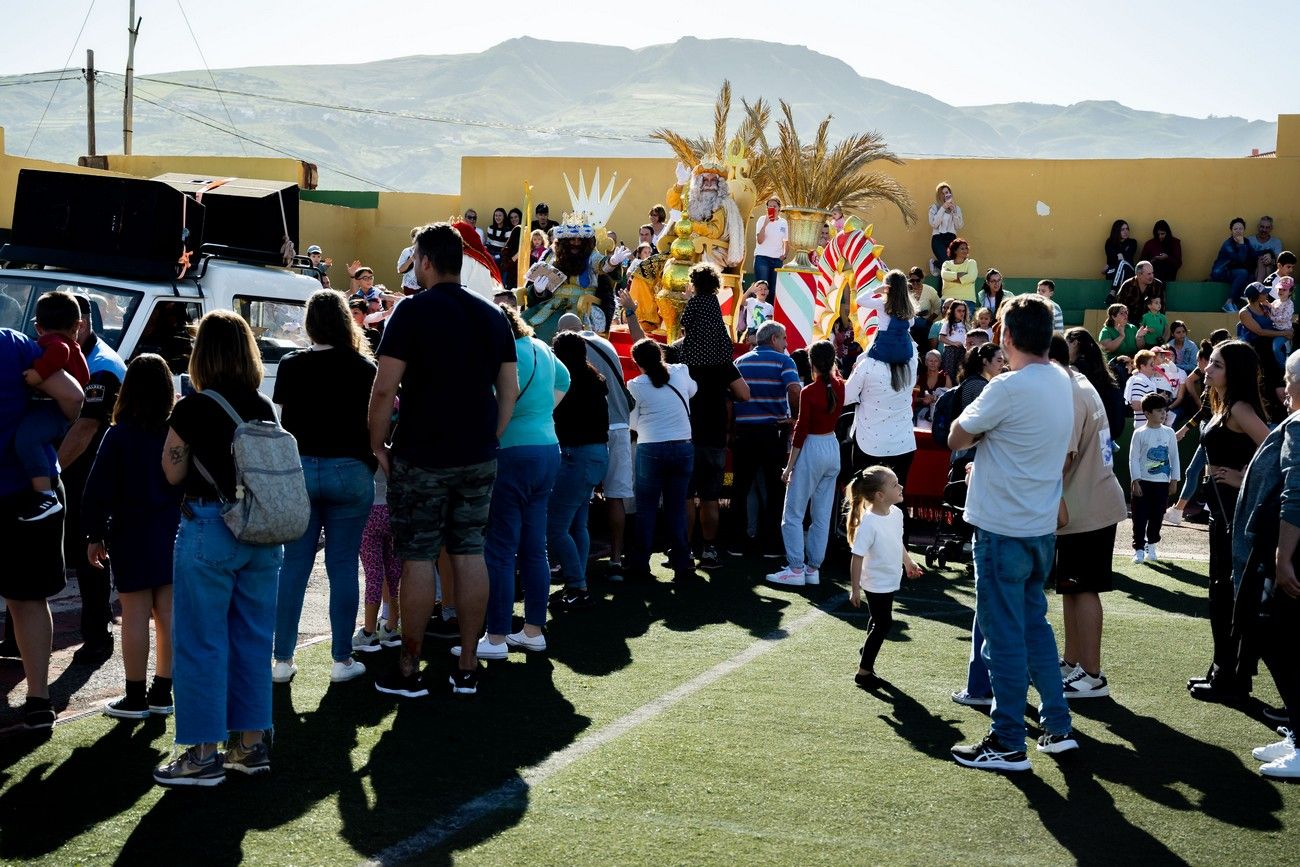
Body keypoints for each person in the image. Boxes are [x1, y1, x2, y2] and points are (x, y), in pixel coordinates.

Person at [368, 223, 519, 699]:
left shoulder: (411, 311)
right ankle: (468, 665)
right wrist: (489, 436)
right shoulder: (493, 316)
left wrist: (377, 445)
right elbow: (509, 390)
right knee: (470, 552)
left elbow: (384, 386)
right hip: (476, 453)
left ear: (426, 262)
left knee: (417, 558)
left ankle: (410, 668)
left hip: (420, 454)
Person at [948, 294, 1078, 771]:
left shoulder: (1006, 388)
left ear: (1005, 337)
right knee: (1034, 626)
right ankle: (1057, 725)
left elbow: (955, 436)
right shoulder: (1062, 380)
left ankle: (1007, 740)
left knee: (1001, 637)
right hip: (1039, 526)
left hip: (1003, 527)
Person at [156, 310, 282, 786]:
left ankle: (203, 752)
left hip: (211, 525)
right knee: (252, 640)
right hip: (262, 533)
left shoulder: (192, 406)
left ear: (201, 354)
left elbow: (171, 471)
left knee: (200, 641)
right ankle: (249, 746)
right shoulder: (264, 406)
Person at [272, 291, 377, 684]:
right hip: (349, 471)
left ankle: (282, 660)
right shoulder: (364, 367)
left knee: (293, 567)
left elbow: (283, 424)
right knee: (343, 566)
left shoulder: (291, 365)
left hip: (301, 469)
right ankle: (341, 658)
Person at [462, 304, 567, 661]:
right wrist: (540, 413)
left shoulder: (500, 352)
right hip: (547, 448)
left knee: (501, 549)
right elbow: (565, 380)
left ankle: (495, 637)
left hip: (511, 451)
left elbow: (483, 401)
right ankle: (534, 631)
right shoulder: (541, 347)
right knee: (535, 547)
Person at [82, 353, 181, 719]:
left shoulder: (119, 434)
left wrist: (94, 534)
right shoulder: (175, 431)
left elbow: (96, 489)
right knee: (167, 614)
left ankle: (135, 696)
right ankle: (162, 692)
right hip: (172, 528)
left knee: (135, 614)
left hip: (130, 530)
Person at [0, 324, 81, 730]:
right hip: (26, 492)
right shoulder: (13, 344)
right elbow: (71, 396)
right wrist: (48, 426)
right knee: (28, 599)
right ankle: (38, 700)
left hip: (21, 491)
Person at [1230, 349, 1300, 779]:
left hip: (1289, 549)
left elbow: (1296, 491)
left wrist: (1284, 556)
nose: (1284, 388)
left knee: (1278, 639)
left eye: (1290, 380)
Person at [1188, 341, 1269, 706]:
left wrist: (1241, 476)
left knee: (1228, 592)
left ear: (1232, 371)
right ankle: (1222, 669)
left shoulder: (1238, 407)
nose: (1207, 369)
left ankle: (1231, 676)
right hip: (1221, 512)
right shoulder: (1222, 404)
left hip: (1237, 513)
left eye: (1216, 365)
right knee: (1221, 591)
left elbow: (1274, 450)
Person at [1047, 334, 1126, 702]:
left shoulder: (1068, 392)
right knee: (1072, 588)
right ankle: (1073, 662)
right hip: (1088, 503)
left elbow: (1063, 460)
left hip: (1086, 507)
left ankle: (1092, 674)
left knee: (1084, 588)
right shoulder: (1080, 383)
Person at [63, 295, 128, 659]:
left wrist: (49, 469)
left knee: (90, 553)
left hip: (89, 473)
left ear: (86, 323)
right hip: (77, 470)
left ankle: (97, 636)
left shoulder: (101, 365)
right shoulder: (72, 354)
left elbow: (86, 428)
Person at [678, 265, 748, 570]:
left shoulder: (681, 356)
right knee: (709, 497)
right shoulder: (722, 358)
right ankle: (708, 551)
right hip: (715, 433)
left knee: (685, 495)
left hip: (685, 432)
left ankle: (683, 551)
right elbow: (744, 394)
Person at [559, 307, 637, 581]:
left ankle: (569, 566)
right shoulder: (605, 343)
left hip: (588, 435)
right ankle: (615, 560)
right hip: (618, 425)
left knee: (574, 504)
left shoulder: (567, 350)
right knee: (616, 496)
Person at [767, 340, 845, 587]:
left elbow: (801, 431)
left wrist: (789, 467)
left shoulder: (809, 391)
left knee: (793, 513)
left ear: (812, 362)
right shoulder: (840, 386)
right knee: (821, 514)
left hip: (812, 448)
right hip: (832, 447)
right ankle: (812, 568)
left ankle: (796, 567)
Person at [547, 331, 608, 611]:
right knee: (577, 525)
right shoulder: (596, 379)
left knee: (556, 528)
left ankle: (577, 586)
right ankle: (578, 582)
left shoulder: (564, 381)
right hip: (596, 454)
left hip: (575, 455)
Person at [14, 291, 89, 521]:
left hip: (52, 409)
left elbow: (59, 351)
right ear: (78, 325)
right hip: (57, 409)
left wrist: (39, 373)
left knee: (26, 439)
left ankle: (44, 496)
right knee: (38, 442)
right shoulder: (73, 343)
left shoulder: (53, 342)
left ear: (38, 328)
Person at [627, 338, 697, 581]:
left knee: (646, 509)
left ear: (637, 363)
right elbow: (693, 391)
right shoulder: (680, 371)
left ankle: (640, 564)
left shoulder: (635, 385)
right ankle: (682, 563)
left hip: (650, 447)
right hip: (682, 446)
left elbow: (632, 423)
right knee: (676, 508)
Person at [729, 321, 801, 557]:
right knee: (773, 489)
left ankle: (737, 543)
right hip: (772, 433)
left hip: (744, 433)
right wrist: (796, 418)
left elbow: (730, 398)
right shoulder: (784, 361)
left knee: (741, 488)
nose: (786, 343)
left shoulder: (739, 362)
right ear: (774, 339)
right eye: (783, 339)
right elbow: (794, 390)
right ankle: (771, 545)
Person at [847, 466, 922, 687]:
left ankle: (866, 651)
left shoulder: (897, 514)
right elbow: (857, 557)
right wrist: (855, 588)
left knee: (878, 619)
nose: (901, 487)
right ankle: (864, 672)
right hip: (875, 582)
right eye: (894, 485)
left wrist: (908, 562)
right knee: (884, 623)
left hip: (890, 579)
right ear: (880, 496)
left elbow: (896, 542)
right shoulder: (869, 523)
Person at [845, 311, 920, 484]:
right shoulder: (912, 363)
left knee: (865, 500)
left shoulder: (867, 365)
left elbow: (846, 397)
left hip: (870, 443)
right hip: (902, 443)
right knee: (897, 500)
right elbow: (912, 346)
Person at [1129, 393, 1181, 565]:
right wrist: (1135, 480)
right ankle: (1138, 549)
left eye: (1164, 410)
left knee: (1157, 516)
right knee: (1139, 517)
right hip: (1143, 483)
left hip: (1162, 484)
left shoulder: (1169, 432)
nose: (1163, 413)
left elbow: (1174, 457)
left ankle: (1152, 545)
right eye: (1159, 410)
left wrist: (1174, 479)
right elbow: (1133, 458)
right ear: (1147, 413)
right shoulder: (1139, 433)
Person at [1066, 328, 1126, 442]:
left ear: (1074, 343)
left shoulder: (1075, 369)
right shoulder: (1096, 364)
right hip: (1107, 430)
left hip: (1095, 431)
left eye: (1066, 343)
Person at [860, 269, 917, 365]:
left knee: (859, 360)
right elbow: (911, 324)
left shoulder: (882, 303)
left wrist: (877, 290)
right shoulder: (909, 306)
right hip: (904, 350)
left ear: (886, 286)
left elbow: (860, 300)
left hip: (884, 348)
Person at [1212, 217, 1256, 311]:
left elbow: (1253, 255)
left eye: (1240, 228)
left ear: (1244, 230)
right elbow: (1240, 259)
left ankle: (1240, 304)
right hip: (1221, 272)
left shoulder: (1246, 241)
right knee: (1243, 273)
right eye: (1235, 229)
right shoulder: (1228, 244)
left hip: (1233, 271)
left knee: (1250, 276)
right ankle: (1228, 303)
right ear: (1231, 231)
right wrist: (1241, 245)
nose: (1238, 231)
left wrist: (1268, 253)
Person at [753, 197, 789, 291]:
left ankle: (771, 306)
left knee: (773, 290)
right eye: (770, 207)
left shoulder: (783, 222)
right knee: (762, 288)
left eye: (774, 206)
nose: (772, 208)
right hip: (762, 259)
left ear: (779, 208)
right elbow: (760, 241)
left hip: (777, 260)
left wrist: (784, 255)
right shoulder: (762, 219)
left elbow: (786, 241)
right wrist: (766, 224)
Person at [928, 183, 964, 276]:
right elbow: (934, 224)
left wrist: (954, 212)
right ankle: (935, 263)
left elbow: (959, 226)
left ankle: (936, 264)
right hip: (938, 238)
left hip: (951, 238)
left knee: (952, 264)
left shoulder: (956, 208)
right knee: (947, 262)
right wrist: (943, 208)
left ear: (950, 193)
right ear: (939, 195)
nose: (945, 195)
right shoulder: (934, 208)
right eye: (942, 193)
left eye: (947, 192)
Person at [1117, 262, 1166, 326]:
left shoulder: (1158, 285)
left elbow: (1162, 309)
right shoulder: (1127, 285)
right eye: (1149, 274)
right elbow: (1118, 307)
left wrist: (1159, 325)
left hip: (1151, 325)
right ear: (1139, 274)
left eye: (1152, 273)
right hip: (1129, 325)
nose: (1152, 276)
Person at [1125, 350, 1162, 428]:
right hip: (1143, 427)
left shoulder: (1148, 381)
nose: (1154, 367)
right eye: (1151, 364)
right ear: (1142, 366)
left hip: (1150, 426)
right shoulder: (1138, 381)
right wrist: (1157, 402)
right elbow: (1136, 405)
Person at [913, 349, 951, 424]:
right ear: (926, 362)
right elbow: (913, 398)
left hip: (938, 413)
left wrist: (934, 399)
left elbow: (949, 399)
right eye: (930, 361)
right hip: (920, 411)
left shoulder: (945, 377)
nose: (933, 363)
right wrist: (923, 400)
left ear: (940, 363)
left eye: (936, 361)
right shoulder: (920, 377)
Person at [907, 266, 942, 347]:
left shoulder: (929, 290)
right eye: (912, 280)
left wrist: (930, 319)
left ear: (922, 279)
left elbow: (938, 306)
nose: (914, 283)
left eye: (917, 280)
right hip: (909, 322)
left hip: (925, 322)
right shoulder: (906, 290)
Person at [940, 238, 977, 309]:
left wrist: (951, 279)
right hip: (947, 299)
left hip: (967, 300)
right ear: (955, 250)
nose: (965, 250)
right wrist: (959, 275)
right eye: (962, 248)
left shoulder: (971, 263)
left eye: (966, 248)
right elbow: (944, 275)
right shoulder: (947, 264)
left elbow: (971, 278)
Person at [938, 300, 968, 381]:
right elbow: (941, 338)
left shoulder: (965, 324)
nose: (962, 313)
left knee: (959, 372)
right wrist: (953, 343)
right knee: (949, 372)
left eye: (963, 311)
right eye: (959, 311)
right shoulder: (947, 323)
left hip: (962, 350)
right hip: (950, 351)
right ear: (953, 311)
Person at [1103, 219, 1137, 289]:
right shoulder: (1110, 242)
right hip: (1114, 270)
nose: (1126, 231)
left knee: (1122, 264)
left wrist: (1118, 255)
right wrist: (1119, 255)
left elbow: (1127, 258)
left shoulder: (1132, 242)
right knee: (1119, 267)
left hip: (1128, 270)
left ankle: (1113, 291)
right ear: (1117, 231)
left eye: (1127, 229)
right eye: (1122, 229)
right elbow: (1111, 258)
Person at [1249, 215, 1283, 284]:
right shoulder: (1250, 240)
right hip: (1253, 269)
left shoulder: (1276, 242)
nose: (1264, 230)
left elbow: (1279, 262)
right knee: (1262, 260)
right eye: (1262, 227)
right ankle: (1263, 289)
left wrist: (1270, 260)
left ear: (1271, 228)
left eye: (1267, 228)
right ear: (1258, 227)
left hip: (1270, 269)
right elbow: (1246, 259)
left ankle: (1258, 286)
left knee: (1267, 266)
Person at [1271, 276, 1296, 368]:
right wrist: (1267, 305)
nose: (1281, 291)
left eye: (1284, 289)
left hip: (1285, 332)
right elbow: (1271, 308)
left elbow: (1285, 318)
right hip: (1275, 330)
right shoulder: (1275, 302)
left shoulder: (1290, 304)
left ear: (1290, 291)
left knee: (1276, 348)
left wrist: (1271, 317)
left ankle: (1284, 368)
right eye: (1280, 289)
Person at [502, 207, 524, 290]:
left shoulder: (524, 229)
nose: (513, 219)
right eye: (511, 217)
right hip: (511, 278)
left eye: (516, 217)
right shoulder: (507, 249)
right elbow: (505, 266)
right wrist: (518, 254)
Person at [395, 228, 422, 296]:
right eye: (415, 237)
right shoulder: (407, 251)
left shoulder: (428, 251)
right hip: (409, 287)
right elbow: (400, 270)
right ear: (413, 239)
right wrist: (412, 258)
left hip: (424, 285)